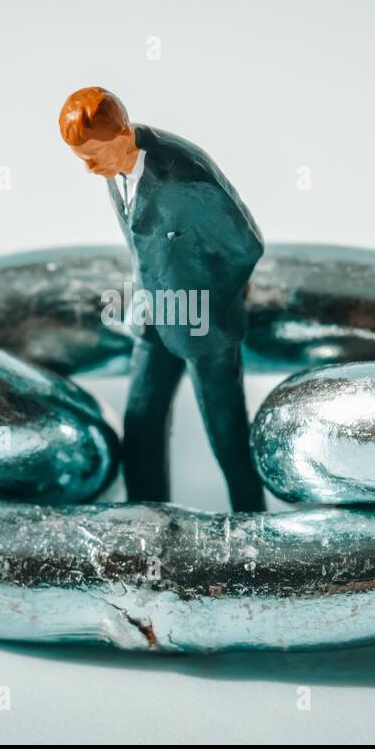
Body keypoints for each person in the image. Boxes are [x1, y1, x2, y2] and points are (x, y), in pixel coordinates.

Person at [59, 87, 265, 511]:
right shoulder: (116, 171)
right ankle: (148, 521)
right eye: (81, 159)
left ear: (121, 138)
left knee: (225, 436)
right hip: (153, 315)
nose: (88, 168)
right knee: (141, 423)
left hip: (202, 326)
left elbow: (245, 245)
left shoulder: (185, 178)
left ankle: (251, 527)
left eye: (93, 155)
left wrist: (207, 306)